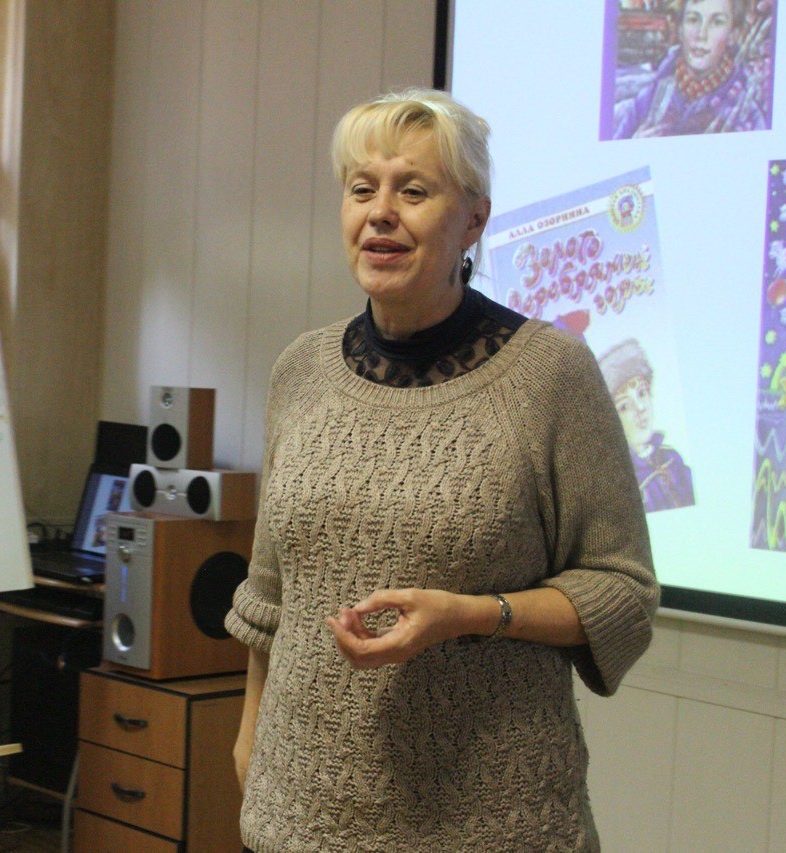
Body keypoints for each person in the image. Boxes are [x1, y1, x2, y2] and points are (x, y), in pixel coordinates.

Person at [225, 88, 658, 851]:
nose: (380, 213)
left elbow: (622, 590)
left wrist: (473, 614)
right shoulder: (301, 370)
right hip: (299, 817)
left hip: (488, 823)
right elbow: (270, 597)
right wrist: (249, 741)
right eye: (362, 189)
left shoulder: (551, 375)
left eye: (414, 191)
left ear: (475, 219)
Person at [612, 0, 768, 139]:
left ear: (733, 34)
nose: (701, 34)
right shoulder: (651, 96)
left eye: (717, 22)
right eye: (693, 19)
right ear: (680, 28)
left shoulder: (744, 111)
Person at [598, 338, 695, 512]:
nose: (641, 408)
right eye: (624, 406)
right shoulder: (619, 480)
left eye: (642, 393)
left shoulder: (672, 459)